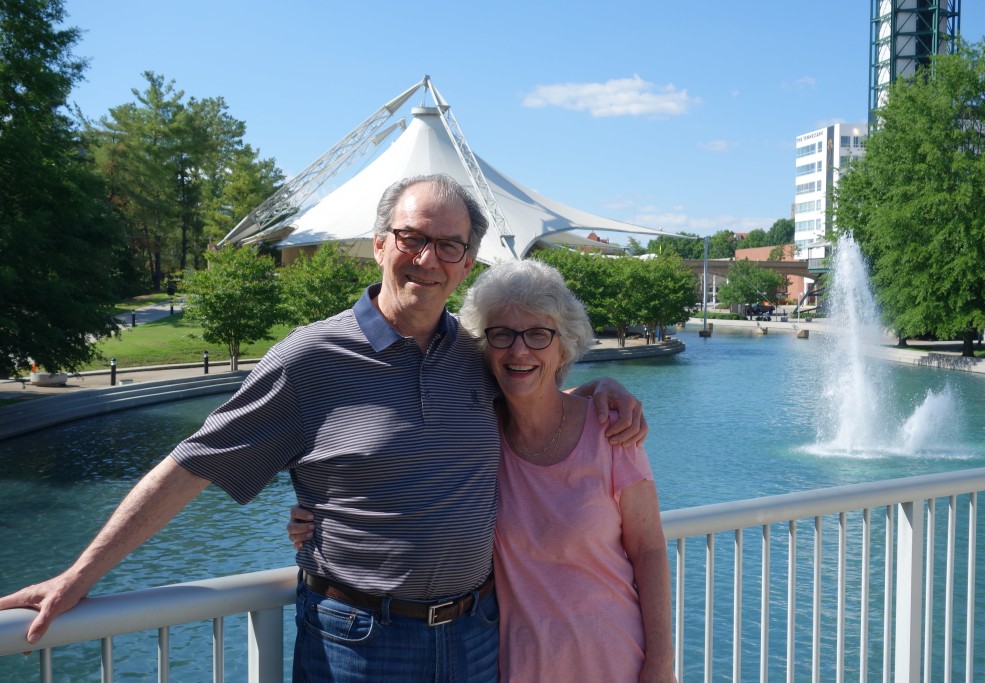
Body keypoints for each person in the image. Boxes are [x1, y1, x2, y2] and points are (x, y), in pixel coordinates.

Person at [0, 174, 646, 682]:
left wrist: (598, 390)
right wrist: (79, 576)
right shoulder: (309, 359)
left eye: (449, 245)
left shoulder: (474, 354)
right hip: (359, 638)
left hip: (475, 633)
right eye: (412, 237)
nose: (428, 257)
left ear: (468, 260)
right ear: (380, 243)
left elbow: (533, 385)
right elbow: (191, 465)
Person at [292, 259, 675, 682]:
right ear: (483, 347)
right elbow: (407, 480)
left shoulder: (611, 432)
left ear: (563, 345)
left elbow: (650, 551)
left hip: (613, 658)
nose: (519, 349)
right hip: (508, 662)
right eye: (502, 334)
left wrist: (660, 663)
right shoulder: (478, 436)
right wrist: (325, 516)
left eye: (537, 334)